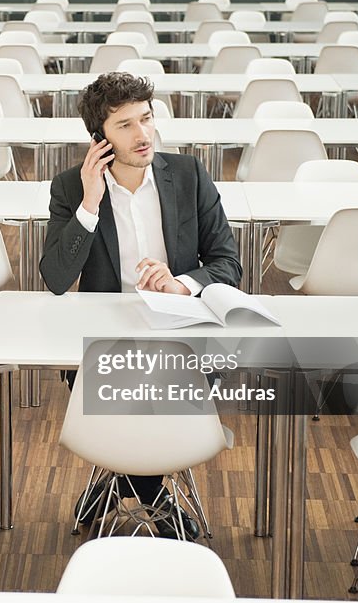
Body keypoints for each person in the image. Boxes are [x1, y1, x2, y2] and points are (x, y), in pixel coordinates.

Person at [40, 72, 241, 539]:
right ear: (100, 139)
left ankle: (120, 481)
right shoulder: (72, 187)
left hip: (181, 339)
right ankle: (154, 496)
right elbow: (55, 279)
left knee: (158, 390)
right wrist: (91, 203)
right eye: (126, 125)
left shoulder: (188, 175)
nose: (143, 134)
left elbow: (228, 263)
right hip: (104, 347)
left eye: (147, 119)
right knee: (122, 389)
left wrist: (181, 284)